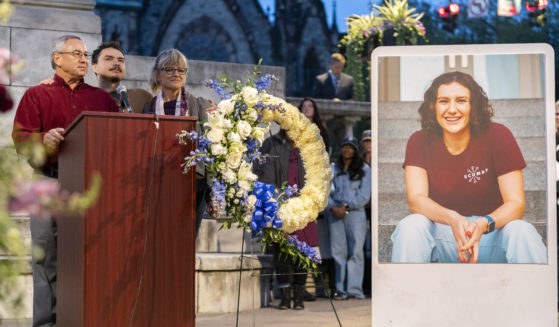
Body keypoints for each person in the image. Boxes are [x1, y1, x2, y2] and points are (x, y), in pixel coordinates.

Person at [12, 34, 119, 326]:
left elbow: (117, 139)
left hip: (90, 187)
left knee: (90, 257)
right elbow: (21, 139)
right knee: (46, 259)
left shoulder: (102, 100)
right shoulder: (37, 94)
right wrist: (43, 140)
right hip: (47, 182)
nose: (85, 59)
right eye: (77, 54)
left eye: (86, 54)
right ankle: (47, 323)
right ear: (57, 58)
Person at [391, 71, 547, 264]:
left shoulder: (499, 135)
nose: (452, 109)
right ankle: (406, 293)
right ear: (433, 106)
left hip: (490, 234)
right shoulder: (418, 140)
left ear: (474, 106)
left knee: (522, 231)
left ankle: (536, 294)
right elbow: (416, 200)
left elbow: (516, 204)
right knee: (410, 226)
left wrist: (483, 223)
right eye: (443, 101)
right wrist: (452, 218)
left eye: (461, 101)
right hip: (445, 234)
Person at [143, 48, 214, 236]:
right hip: (158, 186)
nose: (176, 73)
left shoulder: (199, 105)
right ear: (157, 74)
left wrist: (212, 193)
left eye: (181, 70)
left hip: (193, 188)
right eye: (169, 69)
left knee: (186, 243)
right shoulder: (147, 108)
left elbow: (212, 152)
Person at [253, 130, 309, 310]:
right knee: (282, 251)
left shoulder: (308, 147)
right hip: (281, 205)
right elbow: (265, 174)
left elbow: (316, 176)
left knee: (303, 251)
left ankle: (299, 296)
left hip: (303, 207)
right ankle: (285, 297)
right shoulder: (274, 145)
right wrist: (275, 203)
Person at [297, 97, 333, 299]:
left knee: (313, 237)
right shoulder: (294, 128)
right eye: (304, 106)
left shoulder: (321, 130)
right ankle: (302, 284)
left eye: (310, 106)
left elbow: (324, 157)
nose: (307, 109)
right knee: (300, 235)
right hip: (297, 183)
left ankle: (313, 283)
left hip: (314, 181)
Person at [327, 136, 371, 300]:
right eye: (345, 146)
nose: (347, 150)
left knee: (356, 252)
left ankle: (354, 290)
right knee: (338, 252)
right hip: (335, 212)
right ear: (341, 149)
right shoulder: (332, 168)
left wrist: (346, 207)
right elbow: (324, 190)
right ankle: (340, 289)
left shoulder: (365, 169)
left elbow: (364, 195)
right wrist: (332, 206)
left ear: (355, 150)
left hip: (355, 214)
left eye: (351, 147)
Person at [91, 41, 152, 113]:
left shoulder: (141, 97)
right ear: (95, 67)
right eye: (109, 59)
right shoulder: (87, 100)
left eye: (121, 60)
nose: (117, 63)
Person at [360, 129, 372, 297]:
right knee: (362, 247)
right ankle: (365, 284)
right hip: (362, 206)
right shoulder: (359, 161)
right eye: (366, 142)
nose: (368, 144)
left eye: (370, 141)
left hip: (376, 207)